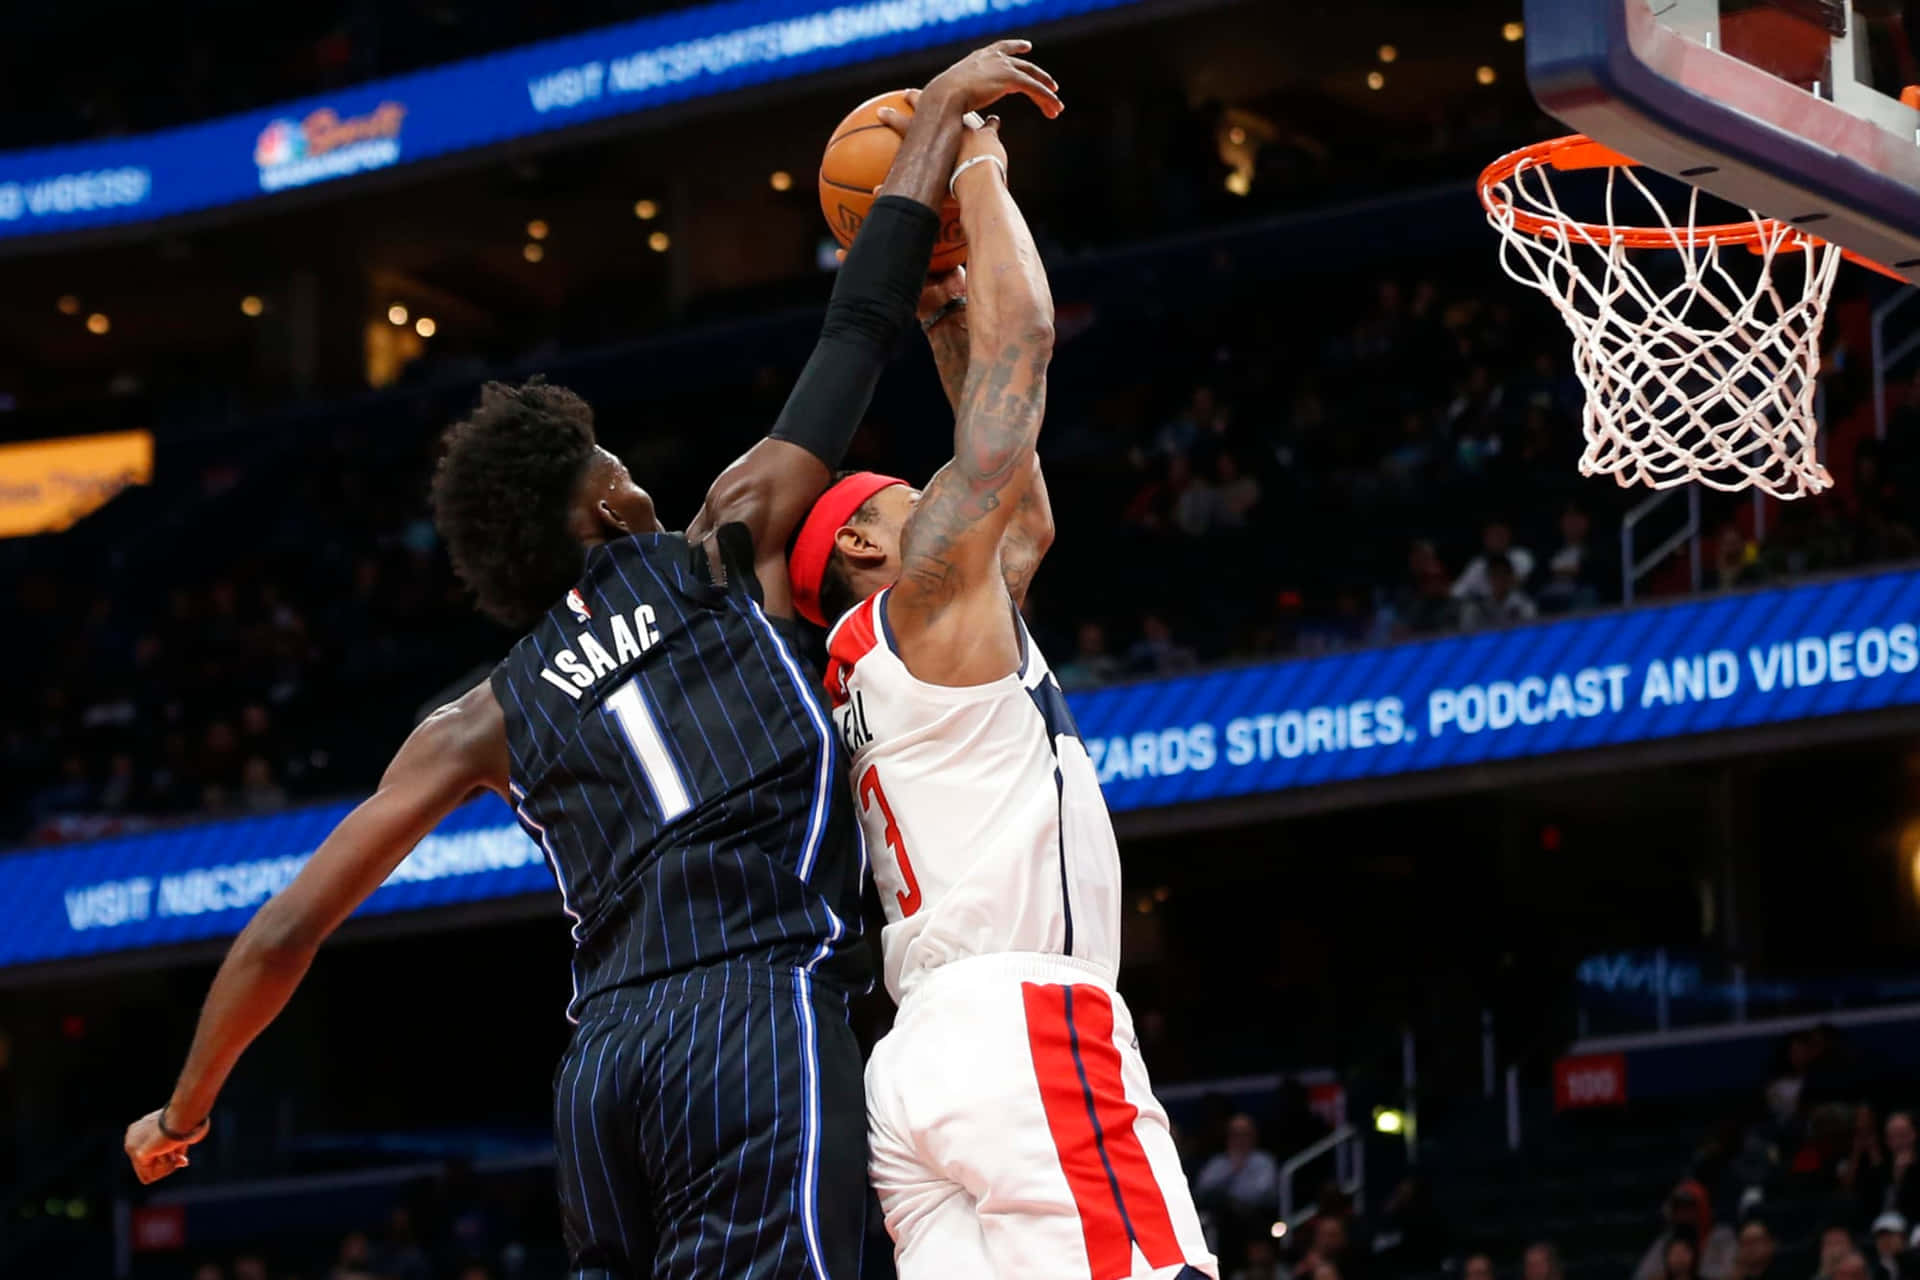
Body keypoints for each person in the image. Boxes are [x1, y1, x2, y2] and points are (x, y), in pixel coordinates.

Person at [120, 42, 1065, 1280]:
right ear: (607, 504)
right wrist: (940, 115)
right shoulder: (725, 539)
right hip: (753, 1012)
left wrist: (184, 1110)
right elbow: (860, 321)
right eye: (618, 463)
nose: (640, 475)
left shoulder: (476, 720)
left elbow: (292, 924)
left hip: (606, 1066)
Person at [788, 109, 1214, 1278]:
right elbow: (1023, 347)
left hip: (918, 1063)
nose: (932, 496)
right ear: (873, 551)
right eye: (901, 498)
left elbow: (1023, 518)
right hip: (1022, 1022)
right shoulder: (927, 605)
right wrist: (977, 171)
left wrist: (935, 314)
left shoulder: (884, 655)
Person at [1193, 1115, 1282, 1266]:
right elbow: (1202, 1190)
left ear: (1254, 1136)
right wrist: (1233, 1170)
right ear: (1228, 1137)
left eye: (1244, 1134)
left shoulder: (1263, 1162)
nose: (1240, 1139)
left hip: (1255, 1219)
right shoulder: (1218, 1163)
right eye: (1235, 1134)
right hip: (1225, 1223)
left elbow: (1264, 1193)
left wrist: (1233, 1197)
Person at [1635, 1180, 1736, 1280]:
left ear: (1703, 1209)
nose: (1684, 1215)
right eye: (1679, 1209)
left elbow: (1734, 1273)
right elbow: (1642, 1276)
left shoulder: (1722, 1237)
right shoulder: (1667, 1240)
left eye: (1689, 1208)